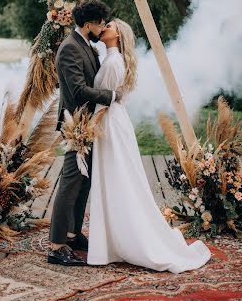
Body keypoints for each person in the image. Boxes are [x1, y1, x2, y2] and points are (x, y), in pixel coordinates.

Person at [88, 19, 211, 273]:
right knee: (117, 177)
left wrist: (89, 125)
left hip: (108, 122)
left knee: (116, 177)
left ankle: (121, 239)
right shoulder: (112, 58)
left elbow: (105, 100)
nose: (103, 28)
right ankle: (114, 238)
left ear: (118, 35)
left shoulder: (112, 62)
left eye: (108, 26)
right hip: (113, 121)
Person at [48, 0, 122, 267]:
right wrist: (112, 95)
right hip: (75, 125)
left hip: (89, 124)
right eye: (100, 23)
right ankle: (57, 246)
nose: (102, 27)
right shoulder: (69, 49)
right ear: (88, 24)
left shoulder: (86, 46)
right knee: (70, 183)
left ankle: (73, 234)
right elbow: (78, 90)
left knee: (84, 182)